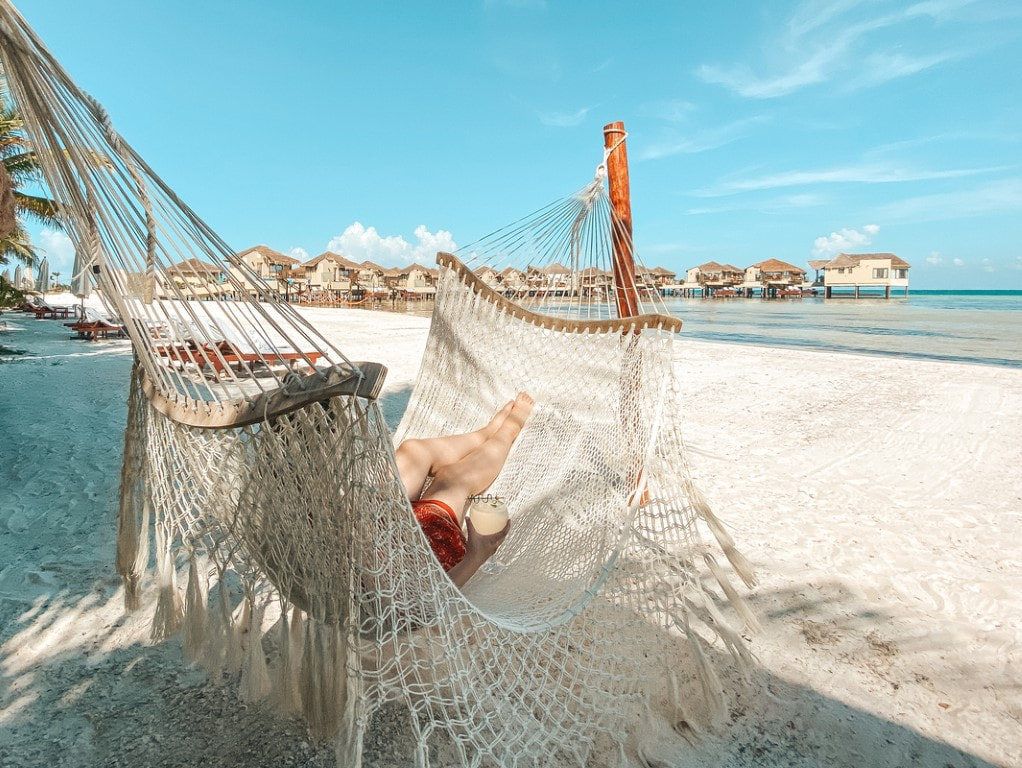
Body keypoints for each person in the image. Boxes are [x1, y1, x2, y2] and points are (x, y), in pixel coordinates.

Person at [395, 392, 534, 587]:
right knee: (453, 478)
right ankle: (507, 432)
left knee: (413, 450)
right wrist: (475, 557)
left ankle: (485, 433)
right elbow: (427, 604)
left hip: (382, 528)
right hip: (421, 557)